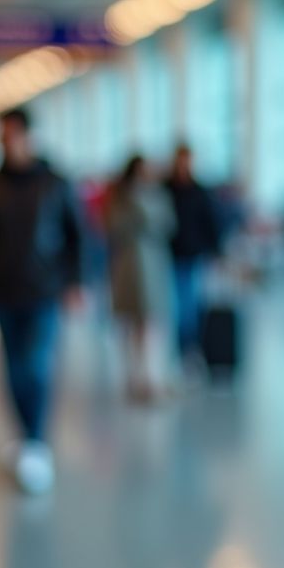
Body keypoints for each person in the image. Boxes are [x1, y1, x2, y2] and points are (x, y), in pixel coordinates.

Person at [0, 108, 84, 494]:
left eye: (12, 135)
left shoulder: (55, 183)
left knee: (38, 366)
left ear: (28, 136)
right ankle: (27, 436)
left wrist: (76, 282)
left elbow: (77, 235)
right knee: (12, 370)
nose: (7, 142)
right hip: (5, 292)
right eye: (2, 136)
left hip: (44, 291)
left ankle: (35, 440)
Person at [106, 155, 177, 401]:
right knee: (133, 323)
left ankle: (152, 378)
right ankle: (135, 377)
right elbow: (113, 226)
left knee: (153, 323)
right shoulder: (123, 197)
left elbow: (169, 223)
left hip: (155, 263)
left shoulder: (158, 194)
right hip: (130, 264)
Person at [163, 145, 220, 363]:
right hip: (171, 255)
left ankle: (190, 348)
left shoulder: (199, 191)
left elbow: (210, 222)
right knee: (177, 307)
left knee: (191, 304)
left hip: (194, 255)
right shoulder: (167, 189)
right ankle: (181, 349)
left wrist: (215, 250)